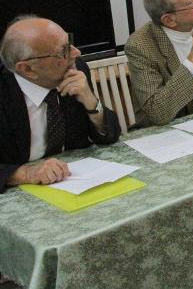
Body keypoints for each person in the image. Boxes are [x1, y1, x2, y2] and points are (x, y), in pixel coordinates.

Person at [0, 15, 121, 192]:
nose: (76, 53)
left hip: (76, 179)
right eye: (63, 51)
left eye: (70, 42)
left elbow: (109, 135)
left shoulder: (75, 68)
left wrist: (90, 100)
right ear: (28, 69)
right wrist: (26, 174)